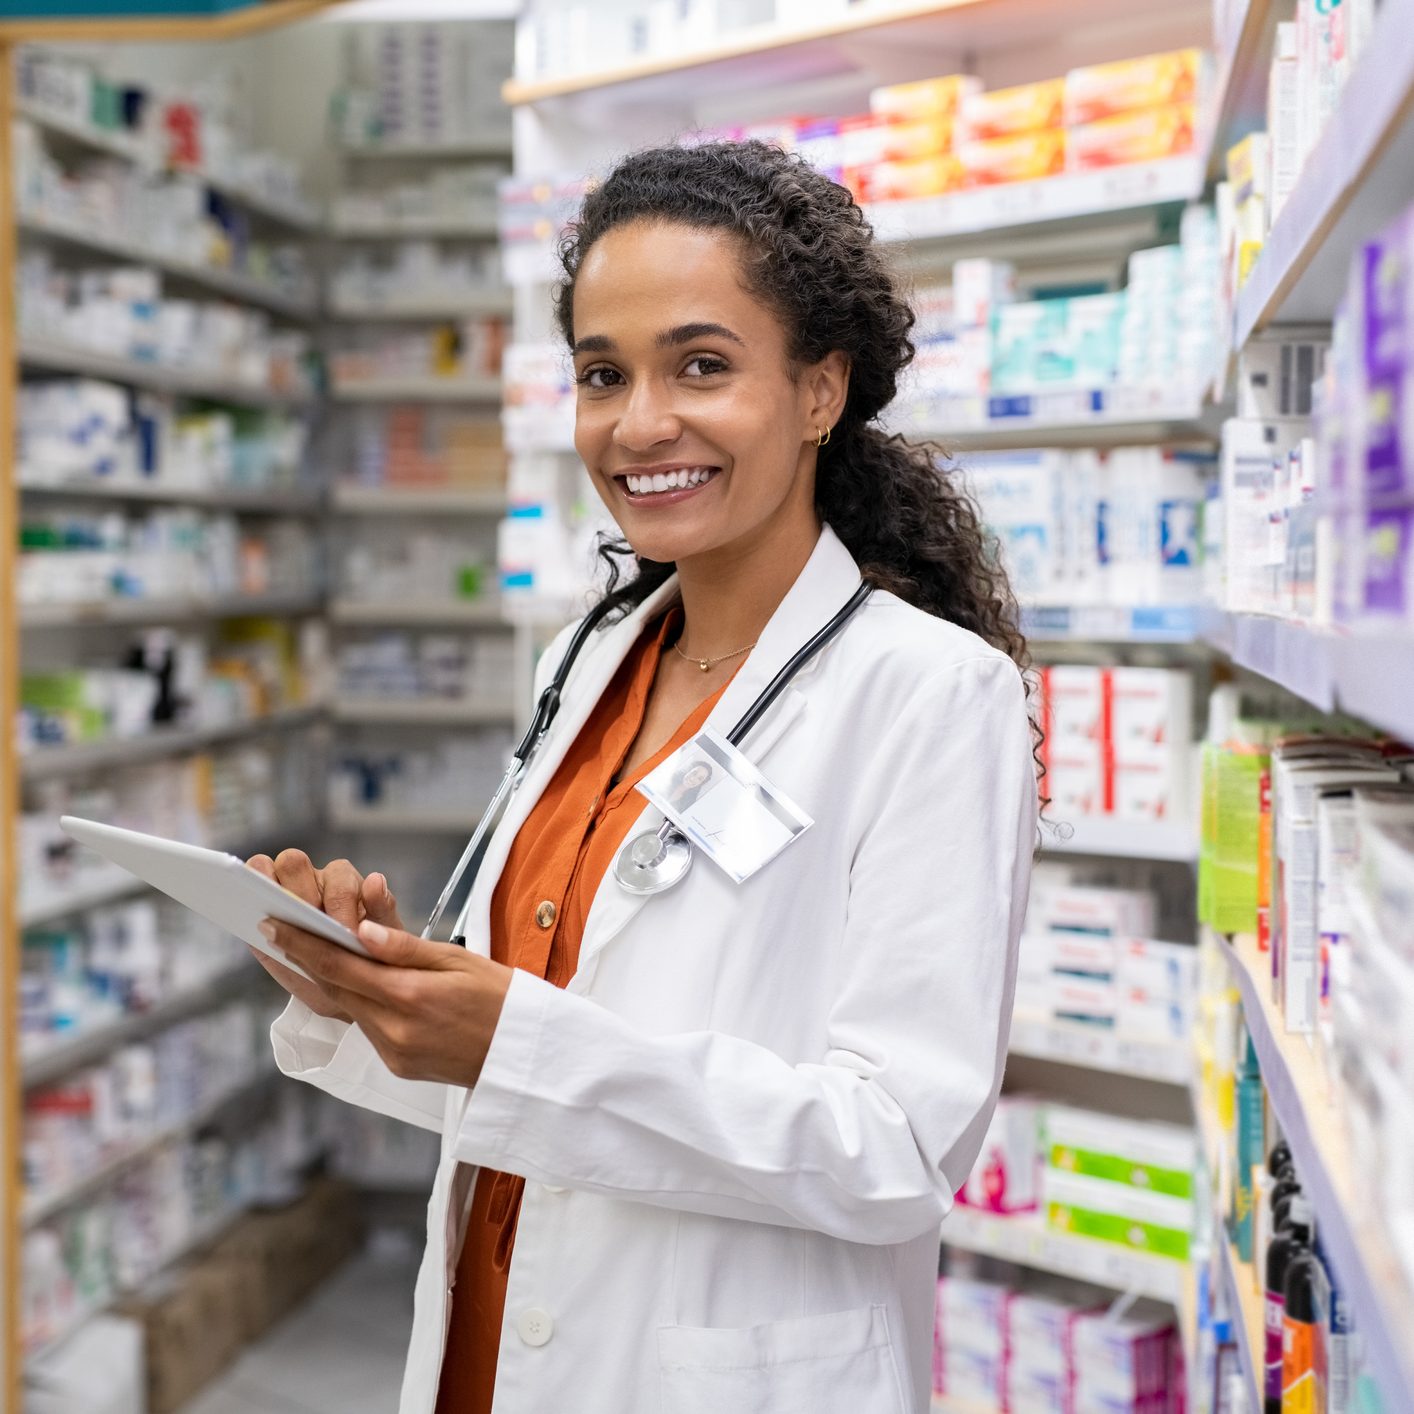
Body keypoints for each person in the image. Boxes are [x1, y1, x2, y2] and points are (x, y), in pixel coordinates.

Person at [247, 139, 1039, 1414]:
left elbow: (892, 1145)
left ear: (821, 388)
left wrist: (516, 1041)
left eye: (702, 366)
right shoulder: (586, 658)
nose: (639, 423)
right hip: (490, 1345)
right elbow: (523, 1046)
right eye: (601, 374)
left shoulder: (931, 694)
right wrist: (372, 987)